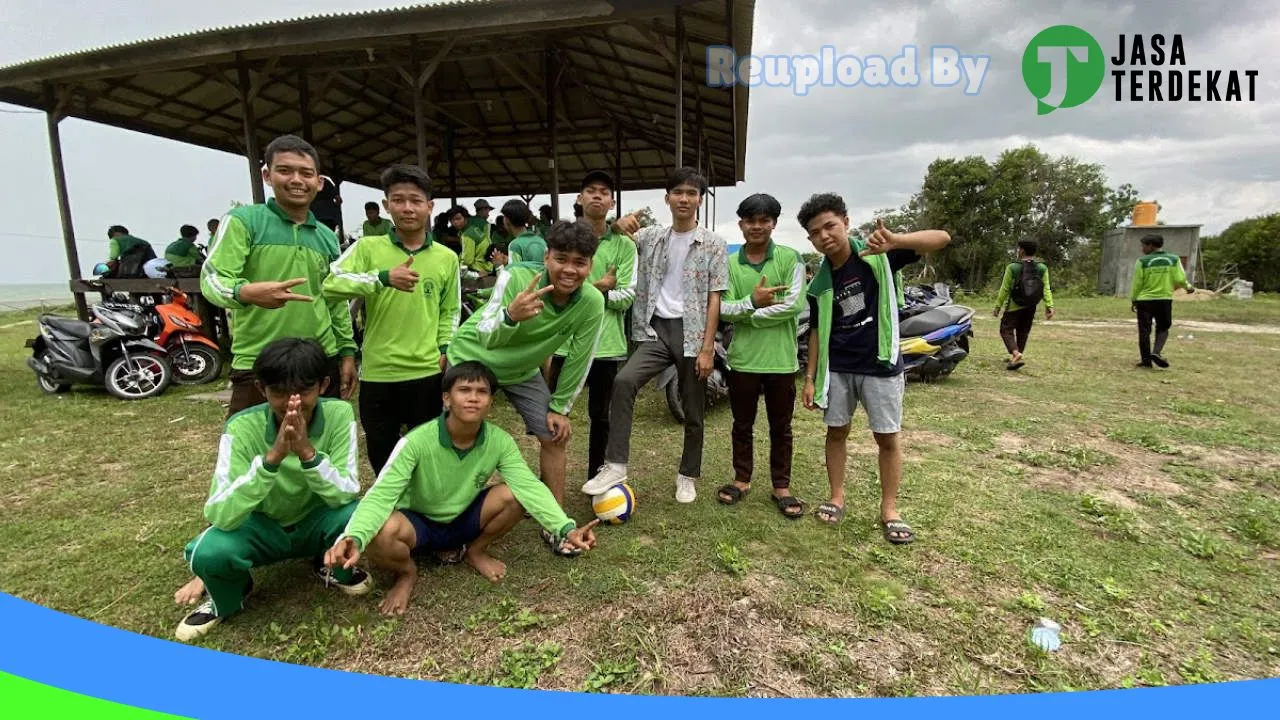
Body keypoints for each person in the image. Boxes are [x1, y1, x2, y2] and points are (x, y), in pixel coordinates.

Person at [324, 362, 601, 615]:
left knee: (514, 495)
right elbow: (380, 495)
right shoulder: (417, 442)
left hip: (465, 519)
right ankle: (406, 574)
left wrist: (566, 528)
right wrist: (355, 537)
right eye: (464, 390)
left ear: (491, 402)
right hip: (418, 524)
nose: (473, 397)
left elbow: (528, 485)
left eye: (482, 391)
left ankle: (476, 551)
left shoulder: (499, 441)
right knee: (381, 533)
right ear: (447, 399)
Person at [175, 338, 370, 641]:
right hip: (263, 527)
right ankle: (229, 595)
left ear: (323, 384)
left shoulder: (339, 414)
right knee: (209, 551)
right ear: (260, 387)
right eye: (278, 392)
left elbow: (346, 491)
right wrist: (271, 460)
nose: (292, 402)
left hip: (314, 520)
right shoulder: (241, 427)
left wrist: (307, 454)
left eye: (304, 390)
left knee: (363, 514)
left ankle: (330, 566)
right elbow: (218, 511)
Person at [446, 220, 605, 555]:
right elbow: (486, 333)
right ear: (546, 256)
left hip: (520, 369)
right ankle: (447, 523)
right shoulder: (516, 277)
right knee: (456, 437)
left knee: (554, 434)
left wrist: (560, 407)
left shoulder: (591, 301)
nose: (569, 270)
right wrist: (510, 315)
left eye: (580, 262)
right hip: (474, 357)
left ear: (590, 266)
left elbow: (581, 357)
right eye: (561, 259)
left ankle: (556, 522)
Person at [799, 193, 950, 543]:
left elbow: (941, 239)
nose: (825, 236)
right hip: (837, 367)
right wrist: (809, 378)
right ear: (810, 239)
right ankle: (836, 497)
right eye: (816, 232)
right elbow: (818, 332)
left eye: (830, 226)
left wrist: (897, 240)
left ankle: (889, 509)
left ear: (846, 223)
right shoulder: (818, 284)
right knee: (836, 432)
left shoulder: (880, 256)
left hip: (880, 364)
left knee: (886, 437)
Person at [582, 167, 728, 504]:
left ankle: (687, 475)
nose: (684, 198)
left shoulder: (714, 244)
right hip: (655, 330)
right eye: (678, 192)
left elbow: (715, 297)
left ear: (699, 201)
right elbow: (618, 232)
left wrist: (708, 348)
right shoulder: (650, 237)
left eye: (691, 193)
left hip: (692, 334)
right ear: (667, 198)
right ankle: (616, 463)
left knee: (693, 409)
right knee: (624, 381)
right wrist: (618, 223)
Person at [200, 134, 357, 416]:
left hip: (320, 358)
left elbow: (335, 299)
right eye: (285, 170)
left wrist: (347, 351)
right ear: (267, 175)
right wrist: (245, 292)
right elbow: (212, 279)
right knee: (252, 451)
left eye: (306, 173)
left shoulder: (327, 237)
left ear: (318, 182)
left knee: (321, 449)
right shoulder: (243, 221)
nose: (297, 180)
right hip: (260, 359)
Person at [324, 164, 460, 475]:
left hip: (426, 371)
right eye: (398, 200)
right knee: (381, 449)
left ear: (429, 206)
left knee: (427, 449)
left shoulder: (446, 257)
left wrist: (444, 348)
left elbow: (449, 310)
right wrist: (381, 278)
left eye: (415, 200)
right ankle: (392, 510)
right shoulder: (367, 248)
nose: (408, 208)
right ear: (386, 206)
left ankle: (423, 511)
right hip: (378, 373)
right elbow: (330, 284)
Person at [716, 193, 807, 518]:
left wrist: (749, 314)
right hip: (742, 359)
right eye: (750, 220)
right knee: (742, 424)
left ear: (773, 224)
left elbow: (794, 305)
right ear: (741, 223)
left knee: (781, 427)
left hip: (781, 360)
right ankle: (742, 479)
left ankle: (781, 486)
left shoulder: (790, 258)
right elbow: (721, 308)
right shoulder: (727, 264)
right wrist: (752, 304)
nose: (757, 226)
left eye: (764, 220)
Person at [546, 171, 637, 482]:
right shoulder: (563, 239)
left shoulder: (624, 245)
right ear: (579, 198)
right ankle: (548, 484)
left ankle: (596, 480)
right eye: (590, 190)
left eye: (604, 192)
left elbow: (626, 296)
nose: (597, 196)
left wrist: (580, 290)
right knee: (553, 417)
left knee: (602, 418)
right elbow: (555, 287)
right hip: (561, 343)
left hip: (607, 345)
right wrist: (601, 286)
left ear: (612, 202)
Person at [1131, 234, 1194, 368]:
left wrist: (1134, 299)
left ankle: (1146, 361)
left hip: (1145, 300)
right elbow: (1180, 279)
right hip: (1164, 299)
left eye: (1144, 246)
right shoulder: (1173, 259)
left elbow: (1137, 283)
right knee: (1163, 327)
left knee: (1144, 331)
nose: (1142, 249)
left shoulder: (1142, 261)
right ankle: (1156, 352)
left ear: (1151, 246)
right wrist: (1188, 287)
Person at [993, 240, 1056, 371]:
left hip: (1014, 305)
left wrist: (998, 306)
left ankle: (1015, 353)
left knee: (1006, 329)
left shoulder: (1013, 267)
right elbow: (1046, 288)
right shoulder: (1042, 268)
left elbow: (1004, 289)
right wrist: (1049, 305)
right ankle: (1016, 356)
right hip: (1031, 305)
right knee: (1023, 331)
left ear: (1021, 250)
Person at [503, 199, 547, 266]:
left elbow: (514, 273)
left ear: (507, 220)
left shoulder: (515, 245)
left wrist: (499, 266)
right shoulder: (542, 242)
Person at [461, 205, 493, 275]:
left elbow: (467, 260)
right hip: (484, 265)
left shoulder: (467, 231)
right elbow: (488, 240)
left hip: (477, 266)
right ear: (482, 210)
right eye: (488, 210)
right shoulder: (485, 224)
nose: (488, 213)